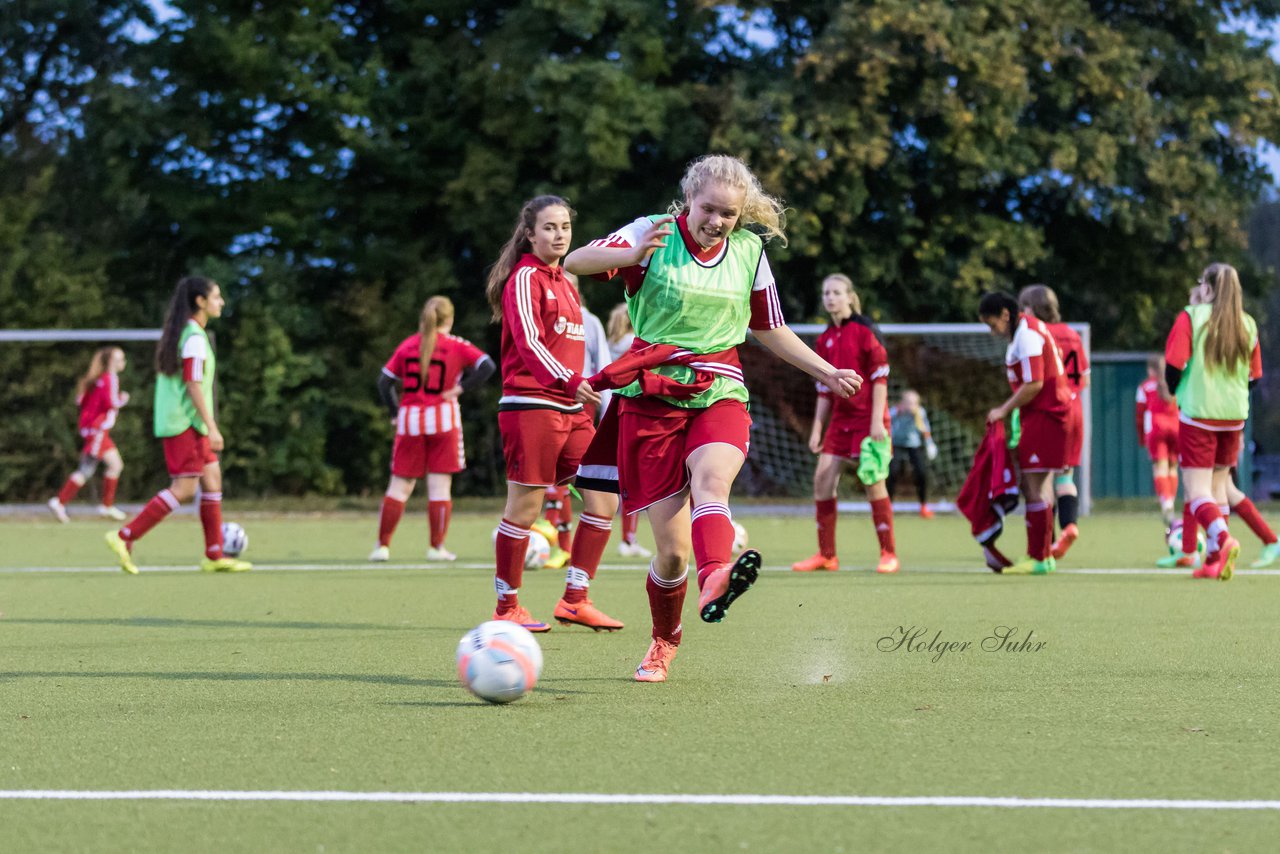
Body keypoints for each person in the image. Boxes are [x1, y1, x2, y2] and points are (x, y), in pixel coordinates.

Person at [565, 154, 861, 682]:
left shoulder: (749, 251)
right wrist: (629, 252)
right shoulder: (651, 233)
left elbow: (770, 328)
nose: (718, 222)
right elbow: (574, 262)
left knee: (712, 482)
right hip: (650, 398)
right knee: (671, 554)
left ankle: (719, 574)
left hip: (719, 388)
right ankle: (664, 640)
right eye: (709, 210)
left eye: (729, 214)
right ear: (690, 198)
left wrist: (827, 370)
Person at [485, 194, 623, 633]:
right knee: (523, 510)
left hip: (572, 409)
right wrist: (570, 381)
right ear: (530, 233)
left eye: (564, 226)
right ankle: (507, 607)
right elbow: (529, 343)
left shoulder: (566, 281)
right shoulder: (524, 278)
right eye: (549, 227)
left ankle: (575, 599)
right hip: (532, 407)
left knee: (604, 497)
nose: (559, 234)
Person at [104, 277, 251, 574]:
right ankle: (124, 535)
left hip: (188, 422)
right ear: (200, 301)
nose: (221, 302)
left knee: (212, 480)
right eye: (217, 297)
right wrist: (211, 426)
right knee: (184, 489)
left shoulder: (187, 333)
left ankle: (214, 555)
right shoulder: (194, 338)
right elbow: (193, 384)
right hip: (185, 423)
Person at [370, 296, 494, 563]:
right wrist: (461, 389)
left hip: (410, 421)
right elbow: (487, 366)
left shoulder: (407, 345)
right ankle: (436, 548)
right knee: (439, 488)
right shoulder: (455, 345)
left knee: (399, 487)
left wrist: (394, 414)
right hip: (444, 420)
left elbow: (384, 382)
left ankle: (382, 546)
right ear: (449, 319)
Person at [791, 274, 898, 574]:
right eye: (826, 293)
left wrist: (877, 421)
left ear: (850, 296)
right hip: (841, 420)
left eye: (837, 292)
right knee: (822, 480)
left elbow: (880, 380)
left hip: (869, 419)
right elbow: (825, 389)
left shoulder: (865, 332)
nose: (831, 298)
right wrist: (817, 429)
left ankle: (889, 553)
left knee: (873, 483)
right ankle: (827, 555)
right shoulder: (824, 339)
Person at [1164, 263, 1263, 580]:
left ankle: (1222, 540)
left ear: (1206, 288)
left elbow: (1174, 366)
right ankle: (1212, 562)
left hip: (1199, 414)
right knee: (1219, 488)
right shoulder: (1247, 323)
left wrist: (1175, 389)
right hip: (1234, 417)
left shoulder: (1192, 317)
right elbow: (1254, 377)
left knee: (1196, 490)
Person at [978, 289, 1071, 575]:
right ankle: (1043, 556)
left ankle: (1039, 557)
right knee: (1039, 486)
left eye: (992, 324)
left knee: (1034, 486)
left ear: (1006, 315)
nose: (993, 331)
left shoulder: (1028, 334)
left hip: (1048, 416)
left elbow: (1034, 384)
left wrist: (1003, 410)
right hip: (1044, 416)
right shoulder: (1026, 331)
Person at [1020, 284, 1089, 559]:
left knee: (1042, 479)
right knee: (1066, 475)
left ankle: (1044, 545)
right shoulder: (1073, 335)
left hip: (1050, 410)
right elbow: (1084, 377)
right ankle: (1070, 525)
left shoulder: (1038, 334)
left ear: (1031, 309)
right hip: (1075, 410)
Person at [49, 347, 130, 523]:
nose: (123, 362)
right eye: (120, 359)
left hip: (94, 430)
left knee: (116, 465)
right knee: (86, 470)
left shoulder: (96, 379)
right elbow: (112, 403)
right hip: (98, 431)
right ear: (110, 362)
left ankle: (106, 506)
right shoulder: (110, 378)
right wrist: (123, 399)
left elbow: (81, 401)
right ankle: (60, 502)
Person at [605, 303, 651, 558]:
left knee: (626, 479)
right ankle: (628, 539)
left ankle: (628, 537)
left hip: (614, 411)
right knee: (634, 480)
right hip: (632, 410)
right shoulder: (633, 344)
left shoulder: (614, 343)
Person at [1136, 355, 1180, 529]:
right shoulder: (1175, 383)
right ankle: (1171, 502)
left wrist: (1141, 438)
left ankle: (1167, 505)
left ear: (1151, 370)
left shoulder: (1145, 387)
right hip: (1176, 427)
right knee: (1172, 467)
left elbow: (1139, 416)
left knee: (1160, 468)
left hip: (1156, 429)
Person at [887, 389, 937, 519]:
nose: (910, 405)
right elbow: (885, 424)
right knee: (892, 472)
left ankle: (923, 506)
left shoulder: (920, 413)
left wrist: (930, 444)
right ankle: (887, 506)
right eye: (908, 402)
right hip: (896, 444)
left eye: (913, 403)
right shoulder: (894, 411)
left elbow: (925, 430)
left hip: (914, 445)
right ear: (902, 402)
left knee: (921, 472)